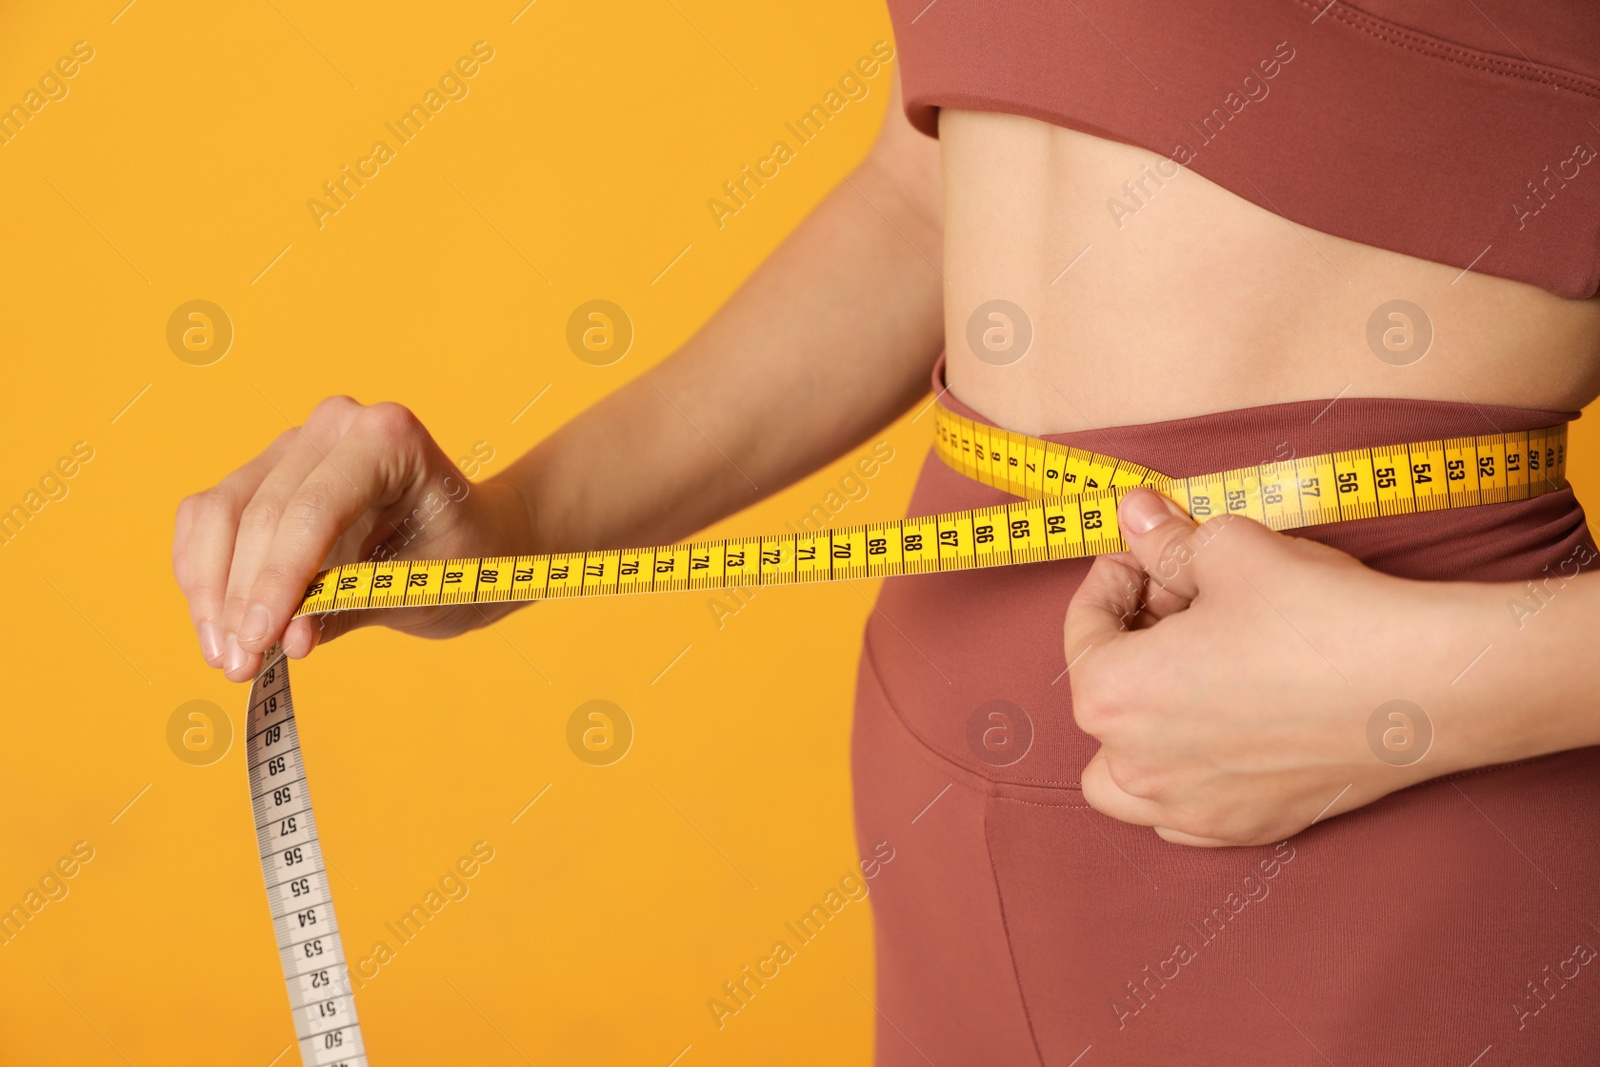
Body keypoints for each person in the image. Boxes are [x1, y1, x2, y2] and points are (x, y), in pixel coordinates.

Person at [172, 4, 1600, 1063]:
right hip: (945, 787)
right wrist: (518, 529)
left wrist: (1415, 696)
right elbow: (933, 192)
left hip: (1389, 814)